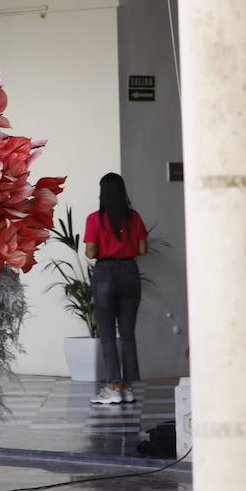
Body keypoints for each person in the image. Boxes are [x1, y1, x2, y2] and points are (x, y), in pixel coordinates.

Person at [84, 172, 149, 406]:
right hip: (130, 274)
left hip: (105, 275)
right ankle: (128, 388)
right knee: (128, 335)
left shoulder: (95, 219)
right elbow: (142, 250)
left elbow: (90, 252)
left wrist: (103, 248)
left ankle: (113, 387)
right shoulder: (134, 218)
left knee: (108, 335)